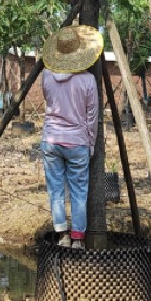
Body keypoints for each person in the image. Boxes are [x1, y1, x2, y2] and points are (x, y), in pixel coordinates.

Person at [40, 23, 102, 250]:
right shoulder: (87, 80)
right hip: (77, 142)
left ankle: (61, 234)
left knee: (55, 189)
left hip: (51, 140)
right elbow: (92, 115)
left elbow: (48, 100)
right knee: (78, 191)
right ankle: (78, 239)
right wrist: (91, 143)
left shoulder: (47, 75)